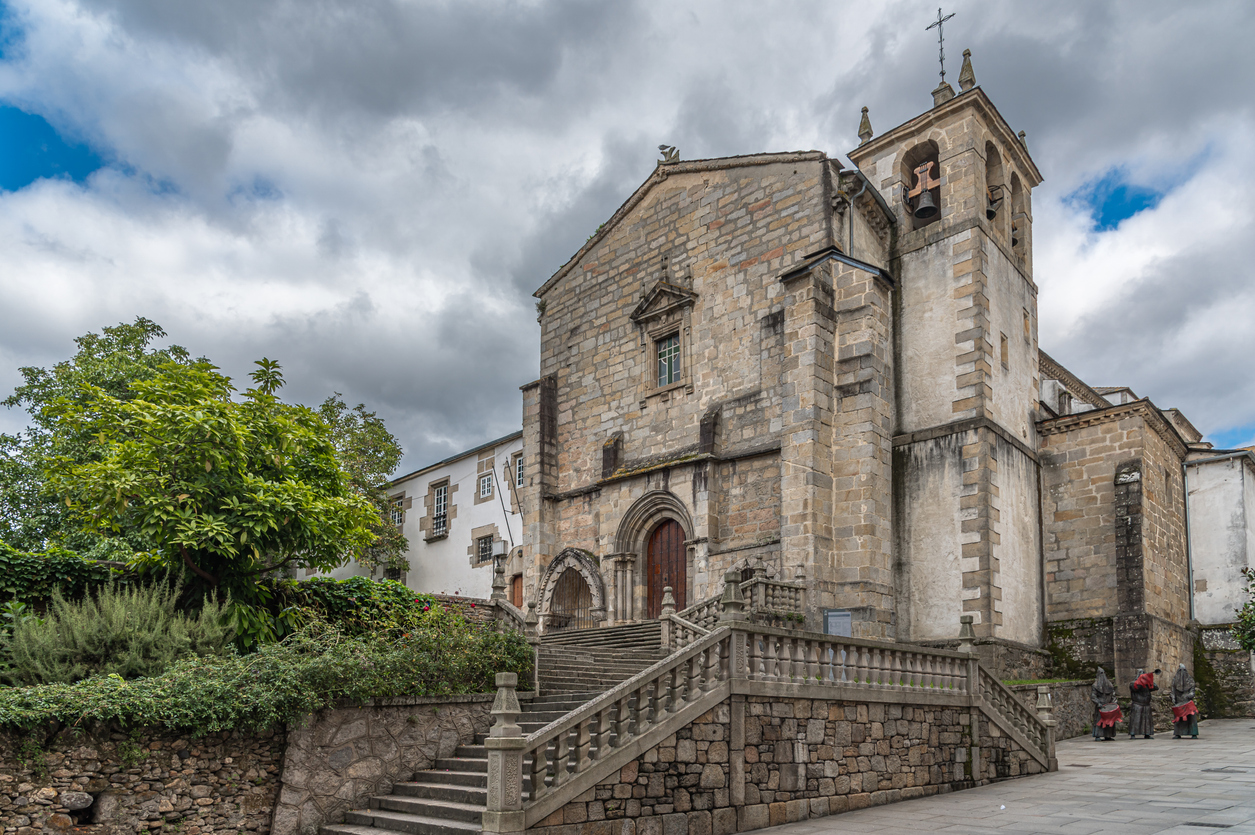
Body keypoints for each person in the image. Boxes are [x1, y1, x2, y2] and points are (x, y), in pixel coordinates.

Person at [1128, 667, 1161, 739]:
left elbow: (1156, 687)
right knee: (1136, 720)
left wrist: (1149, 680)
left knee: (1146, 721)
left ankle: (1147, 734)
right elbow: (1136, 688)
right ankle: (1133, 733)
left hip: (1146, 705)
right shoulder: (1133, 683)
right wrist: (1141, 680)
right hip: (1137, 705)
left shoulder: (1147, 684)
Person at [1170, 663, 1200, 739]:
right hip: (1179, 702)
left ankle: (1193, 733)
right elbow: (1172, 691)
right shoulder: (1175, 680)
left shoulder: (1190, 681)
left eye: (1183, 670)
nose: (1182, 673)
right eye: (1180, 671)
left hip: (1188, 703)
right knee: (1178, 719)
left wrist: (1188, 695)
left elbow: (1192, 692)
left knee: (1191, 718)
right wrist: (1173, 697)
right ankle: (1178, 733)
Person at [1091, 667, 1120, 741]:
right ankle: (1098, 735)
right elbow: (1093, 696)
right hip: (1100, 705)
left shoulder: (1109, 685)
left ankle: (1108, 735)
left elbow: (1113, 695)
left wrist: (1114, 703)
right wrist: (1098, 703)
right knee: (1099, 720)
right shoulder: (1095, 685)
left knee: (1109, 721)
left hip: (1108, 705)